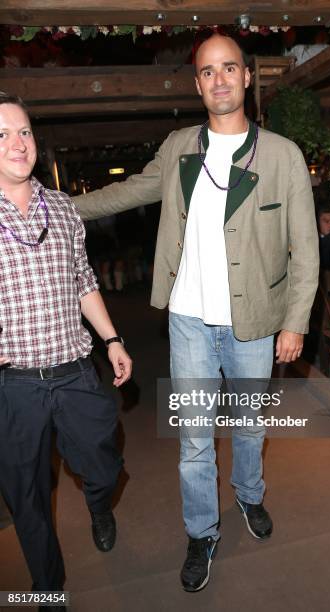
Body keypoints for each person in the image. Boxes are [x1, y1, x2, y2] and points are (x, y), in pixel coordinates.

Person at [73, 33, 319, 592]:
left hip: (255, 323)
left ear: (248, 77)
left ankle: (250, 496)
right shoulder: (181, 145)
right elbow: (130, 192)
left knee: (250, 425)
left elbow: (305, 247)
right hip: (187, 321)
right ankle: (202, 531)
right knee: (195, 438)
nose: (220, 80)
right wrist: (57, 204)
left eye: (229, 68)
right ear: (198, 84)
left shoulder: (281, 155)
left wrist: (296, 320)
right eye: (208, 72)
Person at [0, 93, 132, 606]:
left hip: (75, 369)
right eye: (2, 135)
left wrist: (113, 339)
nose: (17, 143)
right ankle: (48, 589)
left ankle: (100, 504)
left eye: (25, 131)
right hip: (14, 385)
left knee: (103, 465)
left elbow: (83, 280)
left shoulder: (62, 207)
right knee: (26, 497)